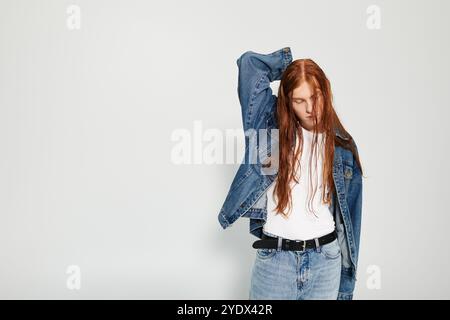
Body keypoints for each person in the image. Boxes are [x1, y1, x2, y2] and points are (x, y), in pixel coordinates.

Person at [217, 47, 364, 300]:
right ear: (288, 101)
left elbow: (351, 221)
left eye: (315, 97)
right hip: (275, 262)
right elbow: (249, 65)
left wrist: (346, 285)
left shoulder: (342, 147)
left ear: (325, 93)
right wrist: (290, 69)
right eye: (299, 100)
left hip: (326, 260)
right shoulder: (268, 131)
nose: (310, 108)